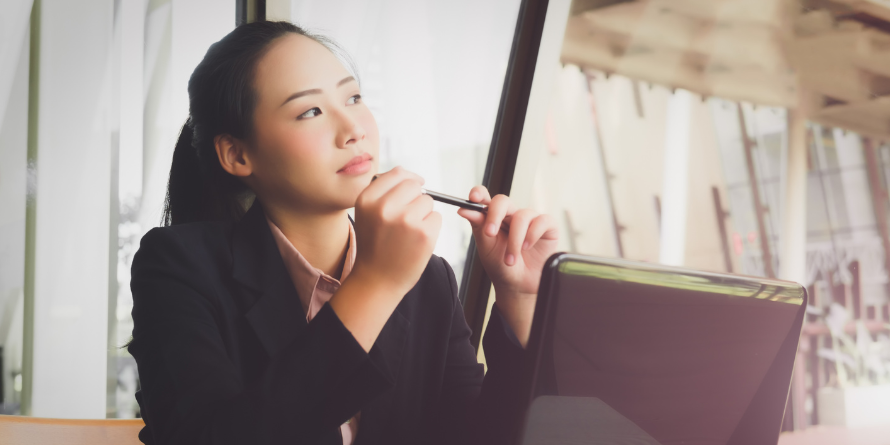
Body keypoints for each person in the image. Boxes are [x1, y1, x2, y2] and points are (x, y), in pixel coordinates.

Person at [127, 20, 558, 445]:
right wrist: (375, 284)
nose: (354, 129)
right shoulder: (177, 267)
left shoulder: (429, 280)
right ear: (237, 154)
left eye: (353, 97)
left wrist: (521, 298)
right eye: (310, 110)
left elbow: (478, 437)